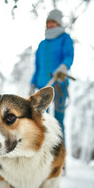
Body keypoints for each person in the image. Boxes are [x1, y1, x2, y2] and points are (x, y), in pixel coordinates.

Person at [30, 9, 74, 142]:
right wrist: (32, 83)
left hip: (59, 83)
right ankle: (45, 155)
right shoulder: (42, 44)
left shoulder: (65, 38)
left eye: (53, 22)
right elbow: (37, 67)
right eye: (48, 22)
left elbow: (69, 56)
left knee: (58, 122)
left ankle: (60, 157)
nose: (50, 24)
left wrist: (63, 66)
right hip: (43, 86)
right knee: (42, 120)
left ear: (58, 23)